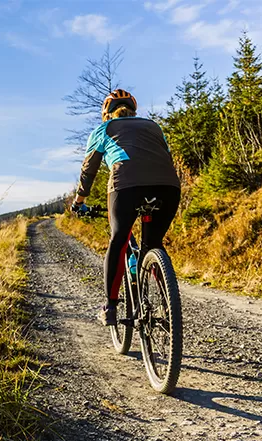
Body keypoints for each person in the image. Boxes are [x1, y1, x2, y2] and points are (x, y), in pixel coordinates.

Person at [71, 89, 181, 326]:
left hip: (126, 186)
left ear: (106, 113)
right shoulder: (153, 126)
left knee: (119, 240)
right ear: (133, 110)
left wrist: (79, 201)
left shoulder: (103, 130)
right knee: (153, 244)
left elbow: (88, 171)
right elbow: (166, 156)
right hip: (168, 186)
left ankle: (110, 307)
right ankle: (169, 304)